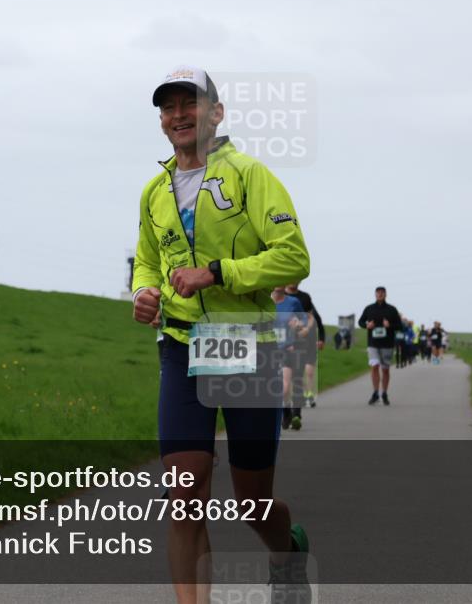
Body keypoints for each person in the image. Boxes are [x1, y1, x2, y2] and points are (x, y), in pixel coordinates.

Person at [132, 66, 312, 604]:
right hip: (181, 347)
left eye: (190, 104)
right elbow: (147, 261)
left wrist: (217, 272)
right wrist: (143, 292)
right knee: (184, 499)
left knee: (250, 501)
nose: (179, 115)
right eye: (169, 107)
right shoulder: (154, 191)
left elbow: (293, 256)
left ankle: (287, 549)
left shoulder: (249, 175)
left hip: (245, 344)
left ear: (216, 113)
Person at [358, 287, 403, 405]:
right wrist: (367, 325)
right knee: (374, 366)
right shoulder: (369, 308)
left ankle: (384, 393)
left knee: (385, 369)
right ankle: (375, 392)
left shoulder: (392, 309)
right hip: (373, 343)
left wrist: (389, 325)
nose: (380, 295)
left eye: (382, 293)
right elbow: (360, 322)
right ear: (375, 294)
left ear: (386, 294)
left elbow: (400, 326)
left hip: (387, 344)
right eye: (378, 293)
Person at [285, 282, 324, 408]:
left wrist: (320, 337)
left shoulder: (305, 298)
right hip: (288, 342)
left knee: (308, 371)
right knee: (291, 374)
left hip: (308, 341)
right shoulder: (280, 297)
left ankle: (308, 395)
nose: (293, 282)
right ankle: (291, 399)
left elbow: (314, 318)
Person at [272, 286, 305, 430]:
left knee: (285, 386)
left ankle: (293, 413)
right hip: (268, 350)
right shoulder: (263, 301)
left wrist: (298, 324)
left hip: (287, 349)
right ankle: (286, 413)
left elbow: (303, 320)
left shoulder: (293, 302)